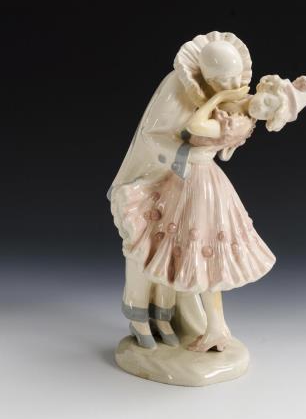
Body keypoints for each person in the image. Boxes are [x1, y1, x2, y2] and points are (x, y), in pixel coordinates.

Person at [108, 31, 276, 352]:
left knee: (181, 247)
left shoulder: (237, 113)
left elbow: (207, 133)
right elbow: (157, 136)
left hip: (198, 183)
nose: (232, 85)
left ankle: (169, 315)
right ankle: (143, 314)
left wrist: (218, 109)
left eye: (235, 78)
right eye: (222, 79)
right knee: (155, 244)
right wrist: (197, 144)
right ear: (205, 75)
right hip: (172, 177)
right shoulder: (188, 91)